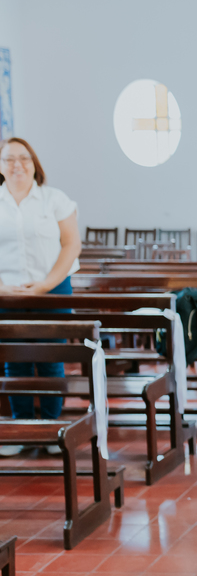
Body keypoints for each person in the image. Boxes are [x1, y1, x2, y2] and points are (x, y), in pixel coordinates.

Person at [0, 137, 81, 424]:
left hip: (53, 289)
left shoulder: (54, 199)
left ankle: (52, 425)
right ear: (1, 166)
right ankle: (22, 425)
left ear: (34, 164)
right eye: (8, 159)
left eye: (23, 158)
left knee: (50, 358)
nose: (16, 165)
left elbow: (72, 245)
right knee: (15, 360)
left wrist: (46, 284)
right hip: (6, 294)